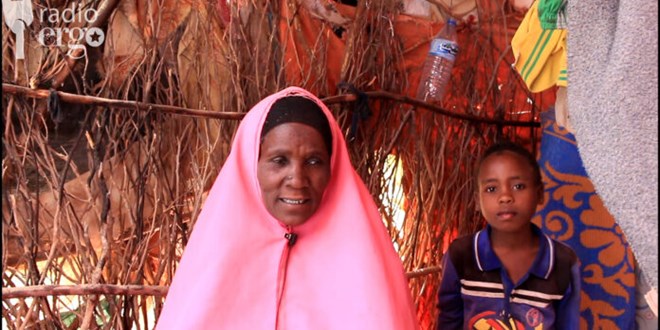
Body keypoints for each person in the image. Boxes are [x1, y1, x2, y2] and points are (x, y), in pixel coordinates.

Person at [155, 86, 419, 329]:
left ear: (333, 165)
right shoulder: (214, 256)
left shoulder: (368, 265)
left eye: (314, 161)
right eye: (279, 161)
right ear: (251, 164)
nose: (297, 180)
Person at [436, 141, 581, 329]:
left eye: (518, 186)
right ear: (478, 201)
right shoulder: (461, 255)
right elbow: (448, 320)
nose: (505, 197)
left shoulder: (562, 261)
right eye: (491, 189)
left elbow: (568, 325)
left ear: (539, 194)